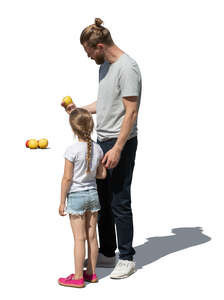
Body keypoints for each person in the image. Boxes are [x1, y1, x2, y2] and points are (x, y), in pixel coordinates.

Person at [65, 18, 142, 279]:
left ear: (99, 46)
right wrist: (80, 110)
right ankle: (108, 253)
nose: (88, 57)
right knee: (103, 202)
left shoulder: (127, 68)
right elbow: (106, 101)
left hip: (120, 142)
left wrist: (119, 148)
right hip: (101, 141)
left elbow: (131, 112)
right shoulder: (105, 67)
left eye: (88, 52)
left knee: (120, 200)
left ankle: (127, 257)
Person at [58, 108, 107, 288]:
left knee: (79, 239)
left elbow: (67, 178)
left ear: (73, 129)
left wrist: (62, 201)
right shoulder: (98, 148)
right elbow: (102, 175)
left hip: (77, 197)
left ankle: (78, 277)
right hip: (93, 196)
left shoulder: (71, 150)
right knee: (92, 237)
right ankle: (91, 274)